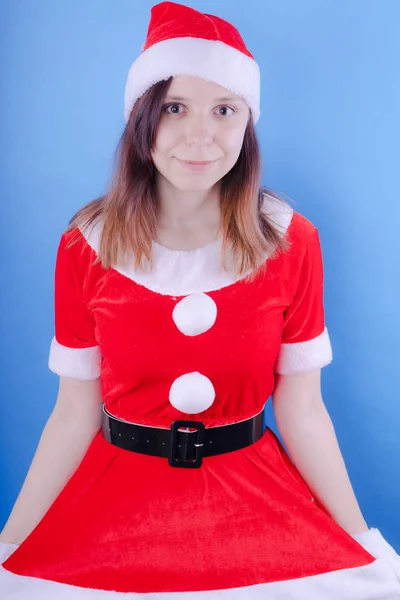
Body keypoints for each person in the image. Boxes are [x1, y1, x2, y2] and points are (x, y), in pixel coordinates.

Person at [0, 1, 399, 598]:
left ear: (247, 123)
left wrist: (361, 543)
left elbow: (303, 410)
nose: (200, 136)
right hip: (115, 510)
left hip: (257, 505)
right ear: (142, 119)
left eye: (225, 110)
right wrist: (10, 545)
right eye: (175, 108)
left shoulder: (292, 242)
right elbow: (73, 412)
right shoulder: (86, 245)